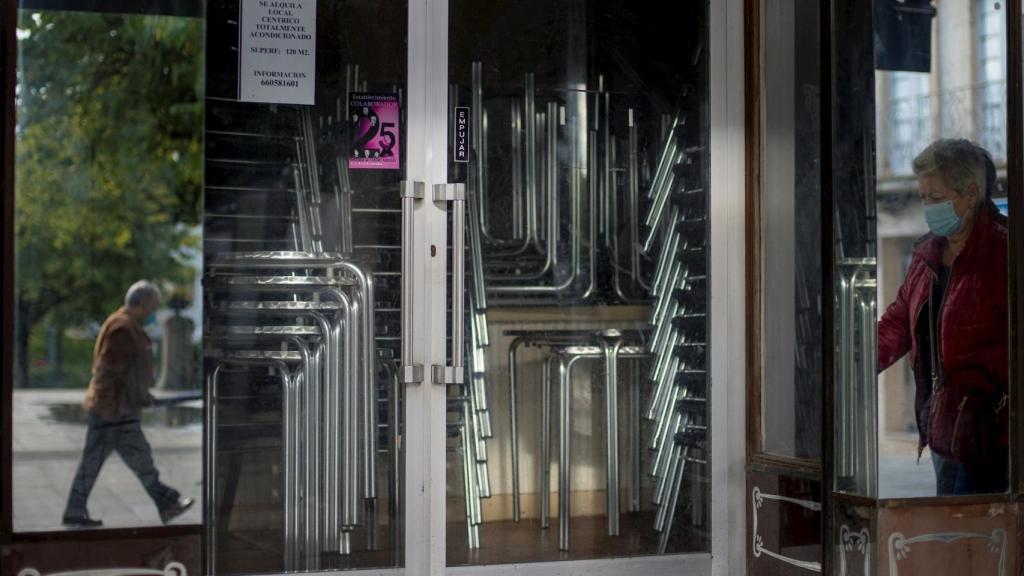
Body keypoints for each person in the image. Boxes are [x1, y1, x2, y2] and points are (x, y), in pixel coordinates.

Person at [877, 139, 1009, 496]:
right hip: (943, 428)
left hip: (992, 437)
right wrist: (849, 364)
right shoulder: (926, 256)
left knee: (981, 536)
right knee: (951, 528)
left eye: (935, 198)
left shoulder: (1004, 254)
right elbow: (897, 323)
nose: (927, 207)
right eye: (923, 197)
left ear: (970, 194)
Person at [61, 280, 194, 527]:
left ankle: (165, 504)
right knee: (132, 461)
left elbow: (127, 373)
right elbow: (112, 372)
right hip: (113, 412)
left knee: (131, 460)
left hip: (116, 411)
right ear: (142, 304)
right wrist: (134, 398)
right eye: (152, 307)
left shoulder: (127, 325)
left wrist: (140, 395)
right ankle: (167, 503)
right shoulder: (122, 328)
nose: (153, 313)